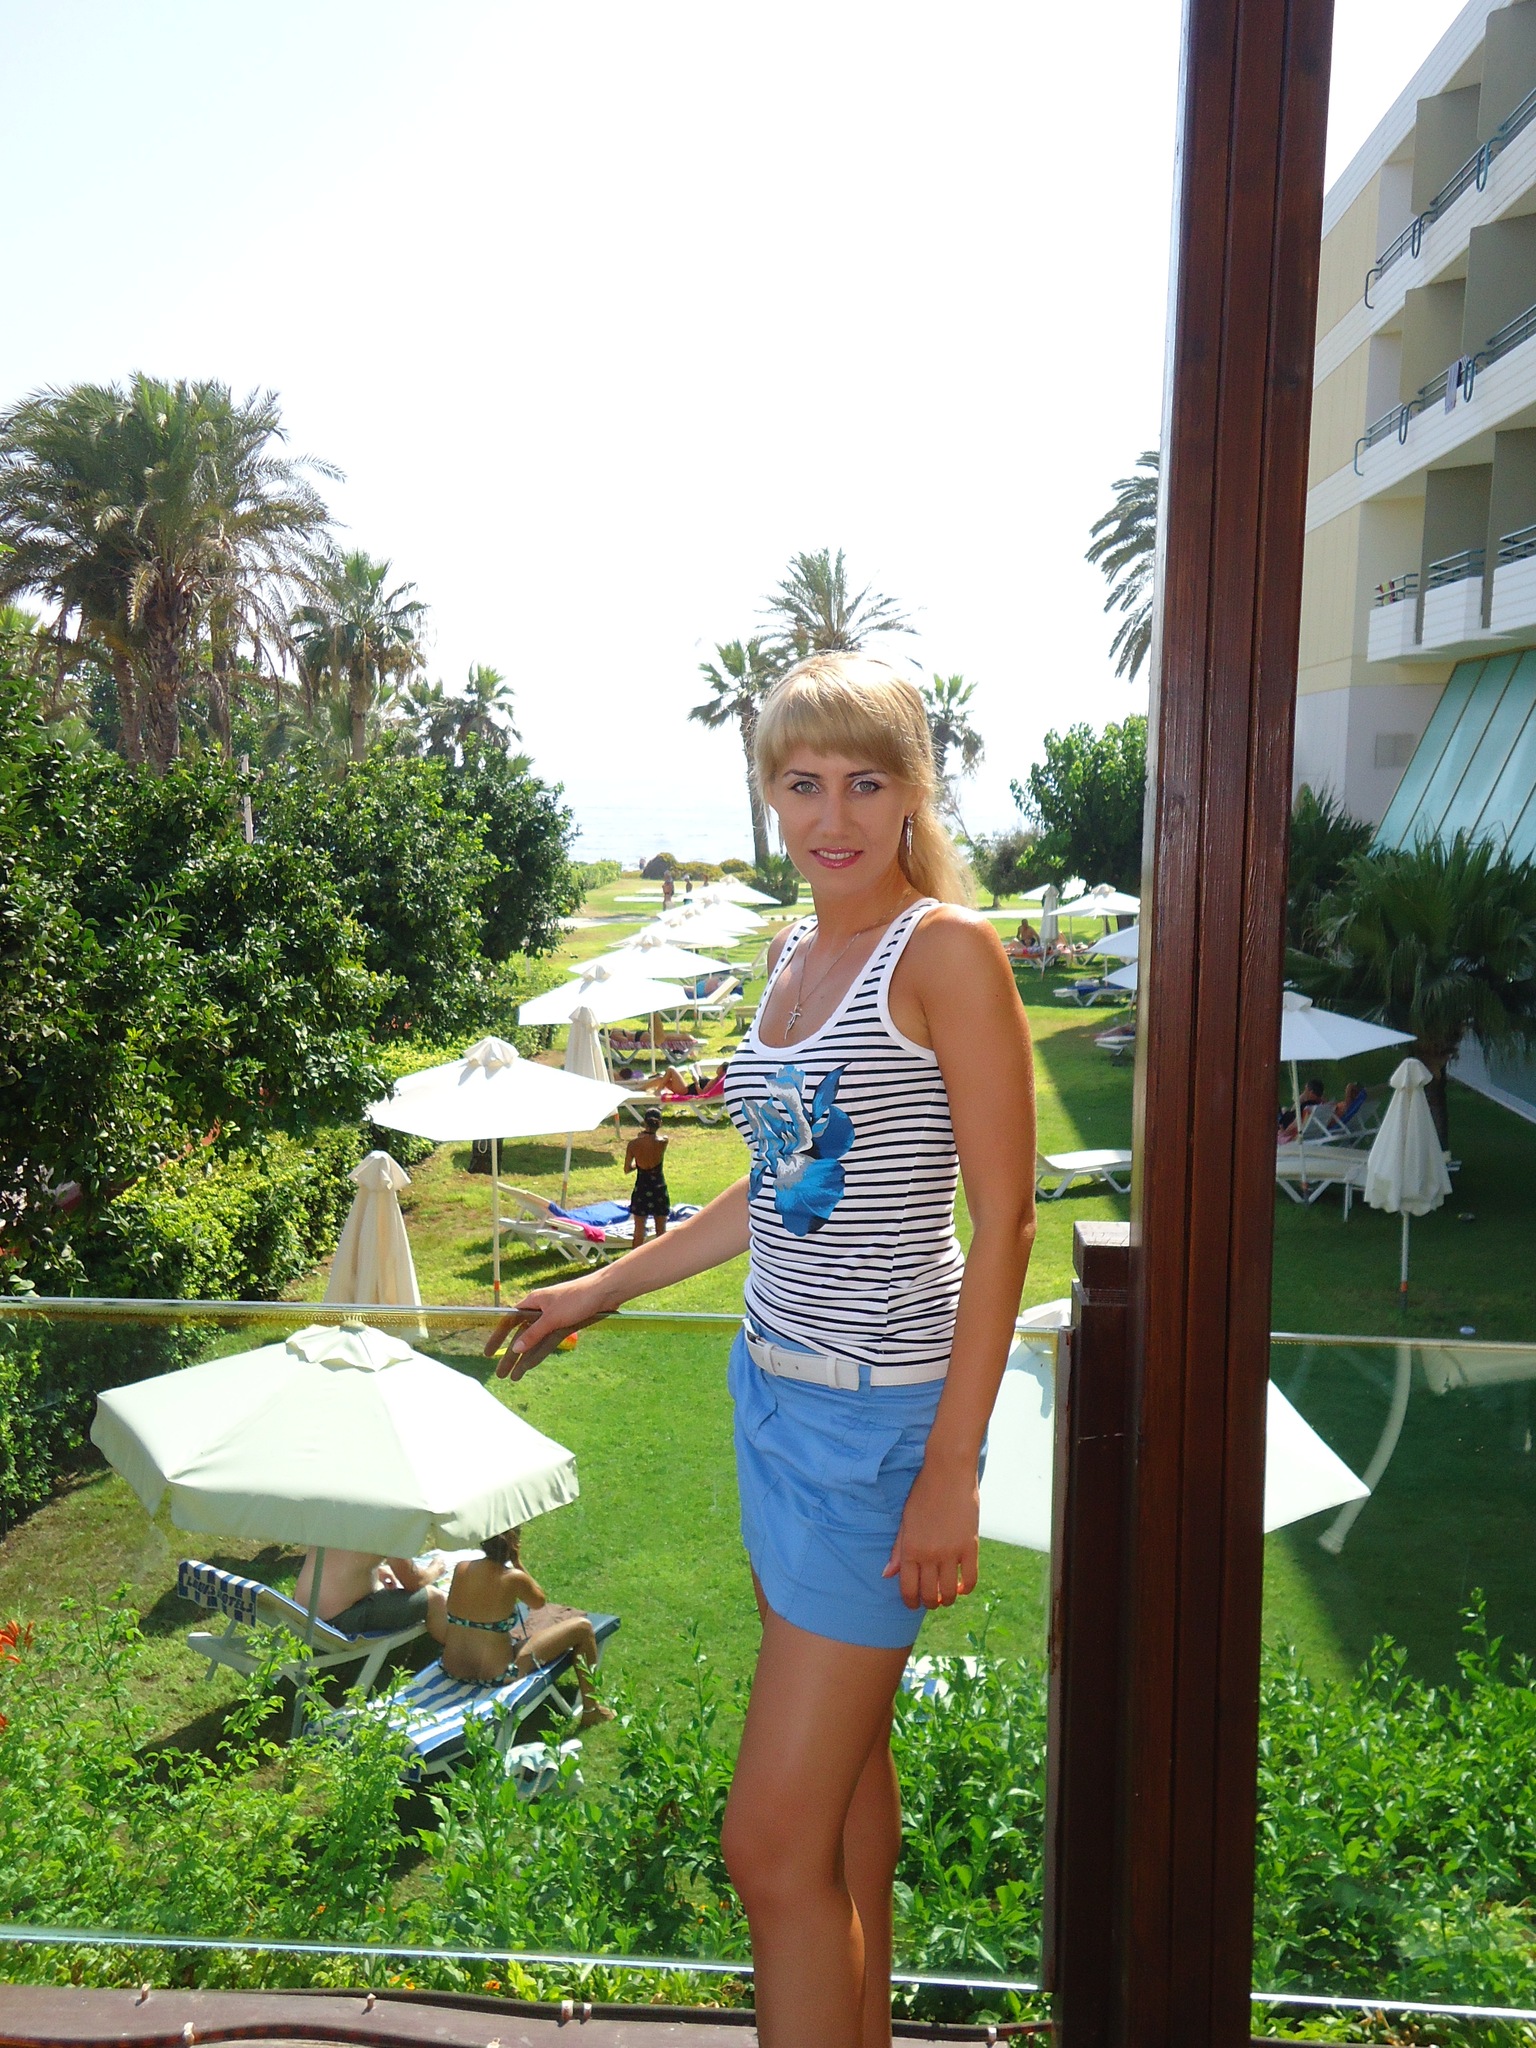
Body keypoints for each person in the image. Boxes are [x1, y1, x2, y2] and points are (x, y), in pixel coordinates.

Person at [485, 650, 1037, 2048]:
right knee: (844, 1802)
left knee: (768, 1847)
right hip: (774, 1401)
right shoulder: (796, 954)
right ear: (765, 791)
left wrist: (951, 1471)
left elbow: (1010, 1221)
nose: (830, 815)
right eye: (801, 783)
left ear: (913, 793)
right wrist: (601, 1287)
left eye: (864, 782)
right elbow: (775, 1185)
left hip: (878, 1430)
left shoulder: (944, 953)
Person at [426, 1528, 614, 1726]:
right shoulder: (513, 1578)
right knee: (583, 1628)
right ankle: (591, 1710)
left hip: (452, 1667)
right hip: (496, 1675)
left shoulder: (462, 1569)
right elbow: (539, 1602)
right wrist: (517, 1563)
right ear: (514, 1545)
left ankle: (592, 1710)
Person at [292, 1546, 448, 1636]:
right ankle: (456, 1660)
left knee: (383, 1586)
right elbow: (413, 1581)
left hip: (298, 1612)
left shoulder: (335, 1508)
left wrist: (376, 1570)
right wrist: (435, 1570)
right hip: (336, 1622)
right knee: (435, 1599)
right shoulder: (388, 1517)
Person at [624, 1106, 671, 1247]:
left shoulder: (633, 1144)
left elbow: (627, 1169)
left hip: (642, 1188)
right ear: (660, 1123)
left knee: (639, 1230)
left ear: (644, 1122)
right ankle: (662, 1257)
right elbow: (659, 1138)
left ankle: (635, 1258)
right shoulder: (663, 1142)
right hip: (658, 1187)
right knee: (661, 1231)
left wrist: (638, 1164)